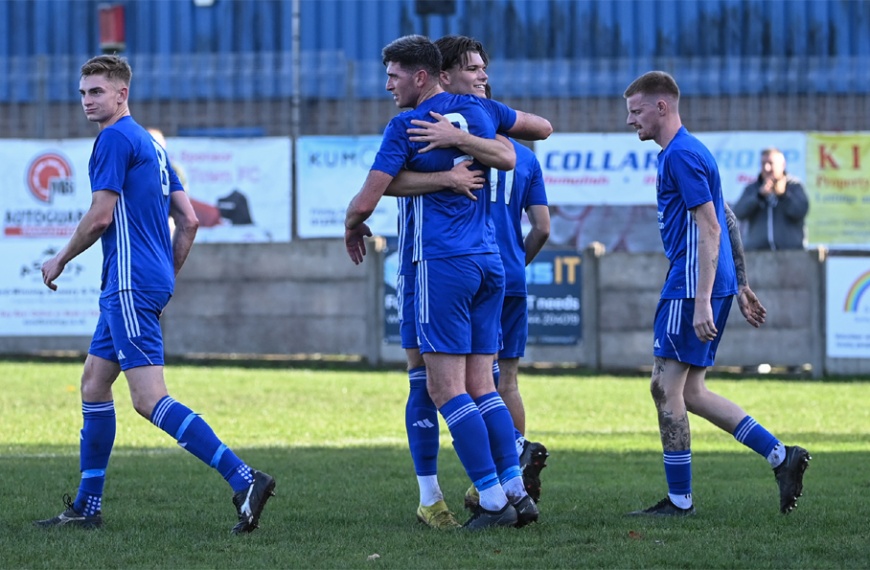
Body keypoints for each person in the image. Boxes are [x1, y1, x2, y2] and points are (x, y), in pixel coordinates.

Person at [35, 55, 275, 534]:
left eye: (97, 91)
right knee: (93, 384)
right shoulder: (151, 144)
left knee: (148, 399)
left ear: (122, 93)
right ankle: (87, 505)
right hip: (142, 281)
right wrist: (164, 274)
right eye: (83, 92)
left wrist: (60, 257)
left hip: (127, 282)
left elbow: (101, 216)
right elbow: (188, 219)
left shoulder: (114, 139)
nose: (87, 100)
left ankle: (244, 477)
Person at [345, 34, 537, 529]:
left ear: (425, 76)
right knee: (481, 385)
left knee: (442, 388)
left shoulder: (409, 124)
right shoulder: (483, 111)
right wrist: (452, 170)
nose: (387, 84)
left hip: (438, 264)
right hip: (487, 260)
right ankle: (512, 486)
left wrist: (351, 223)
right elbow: (528, 138)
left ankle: (491, 499)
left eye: (393, 75)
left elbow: (367, 200)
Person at [622, 71, 810, 516]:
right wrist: (739, 283)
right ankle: (782, 457)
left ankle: (679, 501)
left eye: (635, 111)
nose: (630, 121)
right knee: (691, 392)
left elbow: (710, 226)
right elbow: (729, 218)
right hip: (711, 283)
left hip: (691, 287)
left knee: (664, 388)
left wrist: (703, 298)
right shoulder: (690, 150)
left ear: (662, 107)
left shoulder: (680, 156)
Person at [411, 35, 552, 507]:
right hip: (505, 274)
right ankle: (512, 472)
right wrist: (520, 262)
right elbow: (543, 227)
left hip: (452, 270)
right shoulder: (520, 151)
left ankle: (482, 488)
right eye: (475, 68)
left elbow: (384, 184)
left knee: (439, 384)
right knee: (499, 383)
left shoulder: (427, 133)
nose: (483, 76)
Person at [731, 148, 809, 251]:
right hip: (758, 255)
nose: (767, 168)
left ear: (782, 165)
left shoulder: (794, 186)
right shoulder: (753, 188)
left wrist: (783, 196)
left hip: (791, 254)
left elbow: (801, 211)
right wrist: (759, 196)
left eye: (771, 163)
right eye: (763, 164)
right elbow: (739, 212)